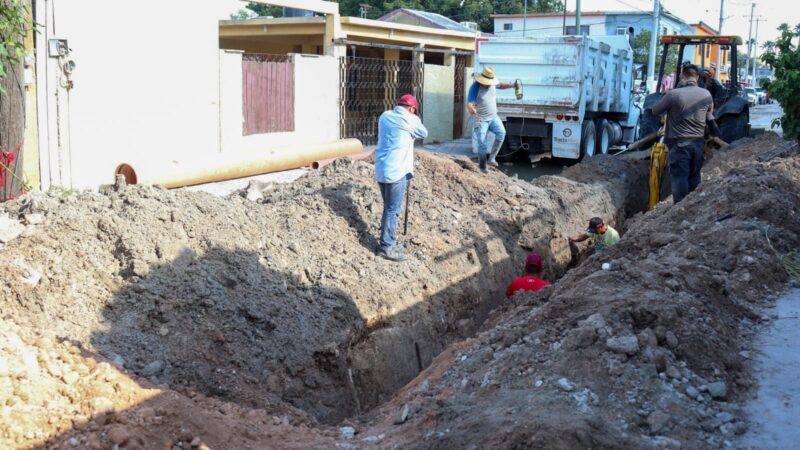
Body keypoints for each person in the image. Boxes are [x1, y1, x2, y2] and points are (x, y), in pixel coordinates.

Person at [650, 64, 720, 203]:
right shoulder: (706, 95)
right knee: (694, 178)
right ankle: (692, 207)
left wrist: (665, 96)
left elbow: (654, 111)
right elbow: (709, 116)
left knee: (679, 178)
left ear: (683, 76)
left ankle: (680, 207)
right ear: (697, 77)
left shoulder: (674, 94)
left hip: (678, 145)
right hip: (698, 145)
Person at [374, 94, 428, 262]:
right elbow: (424, 132)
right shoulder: (411, 120)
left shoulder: (385, 116)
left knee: (388, 207)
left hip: (382, 169)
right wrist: (414, 118)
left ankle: (387, 241)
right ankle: (386, 246)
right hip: (396, 172)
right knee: (392, 210)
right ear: (412, 109)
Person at [467, 66, 514, 173]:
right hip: (481, 119)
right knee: (482, 142)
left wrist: (511, 86)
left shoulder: (492, 84)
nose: (489, 84)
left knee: (501, 133)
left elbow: (500, 85)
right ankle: (482, 166)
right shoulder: (475, 87)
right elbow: (469, 103)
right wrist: (471, 109)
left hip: (493, 117)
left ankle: (492, 159)